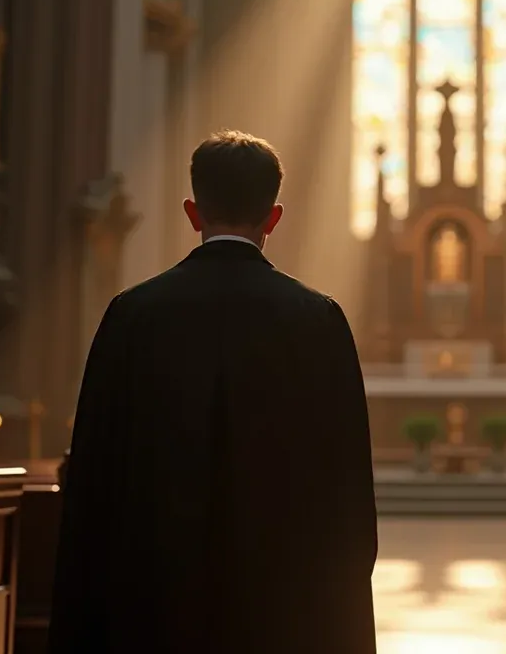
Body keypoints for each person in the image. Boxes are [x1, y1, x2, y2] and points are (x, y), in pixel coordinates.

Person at [47, 130, 378, 654]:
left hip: (155, 604)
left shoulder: (132, 316)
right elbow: (349, 486)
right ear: (273, 218)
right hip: (283, 609)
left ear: (193, 212)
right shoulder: (318, 320)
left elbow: (93, 477)